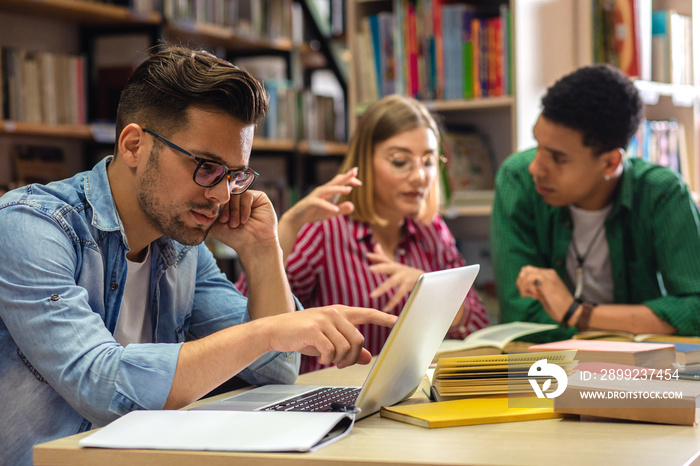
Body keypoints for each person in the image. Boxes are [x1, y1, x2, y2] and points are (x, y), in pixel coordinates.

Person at [0, 45, 396, 465]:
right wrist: (269, 331)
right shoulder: (32, 227)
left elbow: (275, 371)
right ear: (134, 145)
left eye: (235, 175)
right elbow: (103, 385)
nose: (223, 195)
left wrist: (262, 251)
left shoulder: (179, 244)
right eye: (206, 166)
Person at [238, 94, 489, 373]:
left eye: (428, 161)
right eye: (400, 161)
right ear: (366, 162)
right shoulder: (325, 231)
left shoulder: (432, 231)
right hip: (331, 395)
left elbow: (478, 322)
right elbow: (244, 317)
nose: (420, 176)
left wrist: (430, 289)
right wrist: (286, 230)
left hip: (406, 394)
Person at [491, 63, 700, 342]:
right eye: (538, 145)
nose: (536, 168)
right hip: (550, 369)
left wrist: (576, 313)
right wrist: (643, 322)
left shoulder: (661, 193)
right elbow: (521, 315)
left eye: (558, 158)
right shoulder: (517, 179)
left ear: (610, 162)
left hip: (643, 372)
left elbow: (695, 309)